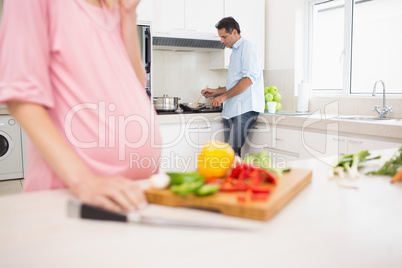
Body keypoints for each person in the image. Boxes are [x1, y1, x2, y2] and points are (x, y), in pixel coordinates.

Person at [0, 0, 161, 213]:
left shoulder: (113, 8)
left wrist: (128, 14)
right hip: (74, 197)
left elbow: (135, 82)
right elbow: (22, 97)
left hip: (132, 193)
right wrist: (85, 182)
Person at [202, 17, 264, 157]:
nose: (222, 41)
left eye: (224, 36)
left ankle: (233, 178)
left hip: (245, 109)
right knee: (231, 154)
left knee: (229, 154)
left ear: (235, 32)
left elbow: (248, 80)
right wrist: (216, 92)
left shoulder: (249, 47)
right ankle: (234, 178)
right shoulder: (235, 52)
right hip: (232, 110)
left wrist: (223, 97)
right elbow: (234, 84)